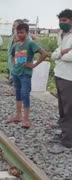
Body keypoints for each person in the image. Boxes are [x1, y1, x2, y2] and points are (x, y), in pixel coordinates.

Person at [7, 23, 48, 129]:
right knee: (18, 93)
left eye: (22, 32)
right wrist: (14, 64)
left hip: (25, 73)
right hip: (16, 73)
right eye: (18, 32)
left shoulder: (30, 43)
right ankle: (18, 115)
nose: (20, 34)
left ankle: (26, 119)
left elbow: (44, 53)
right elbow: (12, 55)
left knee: (25, 94)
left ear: (27, 32)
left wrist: (34, 64)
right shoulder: (16, 45)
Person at [49, 9, 72, 154]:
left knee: (69, 110)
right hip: (60, 74)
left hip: (69, 78)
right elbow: (55, 54)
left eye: (65, 20)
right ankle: (64, 133)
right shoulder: (62, 34)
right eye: (60, 20)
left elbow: (71, 57)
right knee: (62, 109)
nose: (61, 23)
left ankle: (67, 142)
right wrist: (63, 52)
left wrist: (61, 54)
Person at [7, 19, 38, 96]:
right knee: (14, 74)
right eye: (13, 25)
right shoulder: (15, 35)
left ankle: (18, 91)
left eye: (15, 25)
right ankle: (15, 90)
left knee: (20, 75)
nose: (13, 27)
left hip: (21, 60)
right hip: (15, 59)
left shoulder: (24, 37)